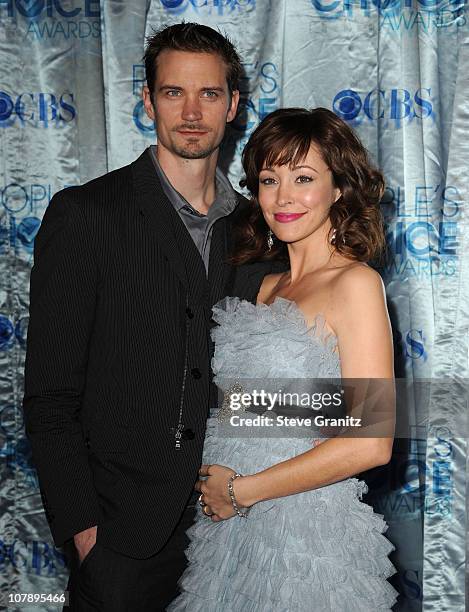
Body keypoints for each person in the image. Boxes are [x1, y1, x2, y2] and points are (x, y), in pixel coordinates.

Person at [22, 23, 279, 611]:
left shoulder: (262, 230)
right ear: (146, 100)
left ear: (234, 104)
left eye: (209, 94)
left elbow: (269, 385)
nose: (191, 112)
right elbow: (49, 396)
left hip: (242, 529)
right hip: (123, 541)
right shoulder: (87, 214)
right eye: (172, 92)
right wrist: (86, 534)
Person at [168, 107, 399, 611]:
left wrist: (244, 489)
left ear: (339, 188)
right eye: (269, 180)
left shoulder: (355, 284)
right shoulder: (267, 287)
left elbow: (371, 441)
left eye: (304, 178)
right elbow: (257, 410)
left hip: (303, 533)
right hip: (232, 530)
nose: (284, 196)